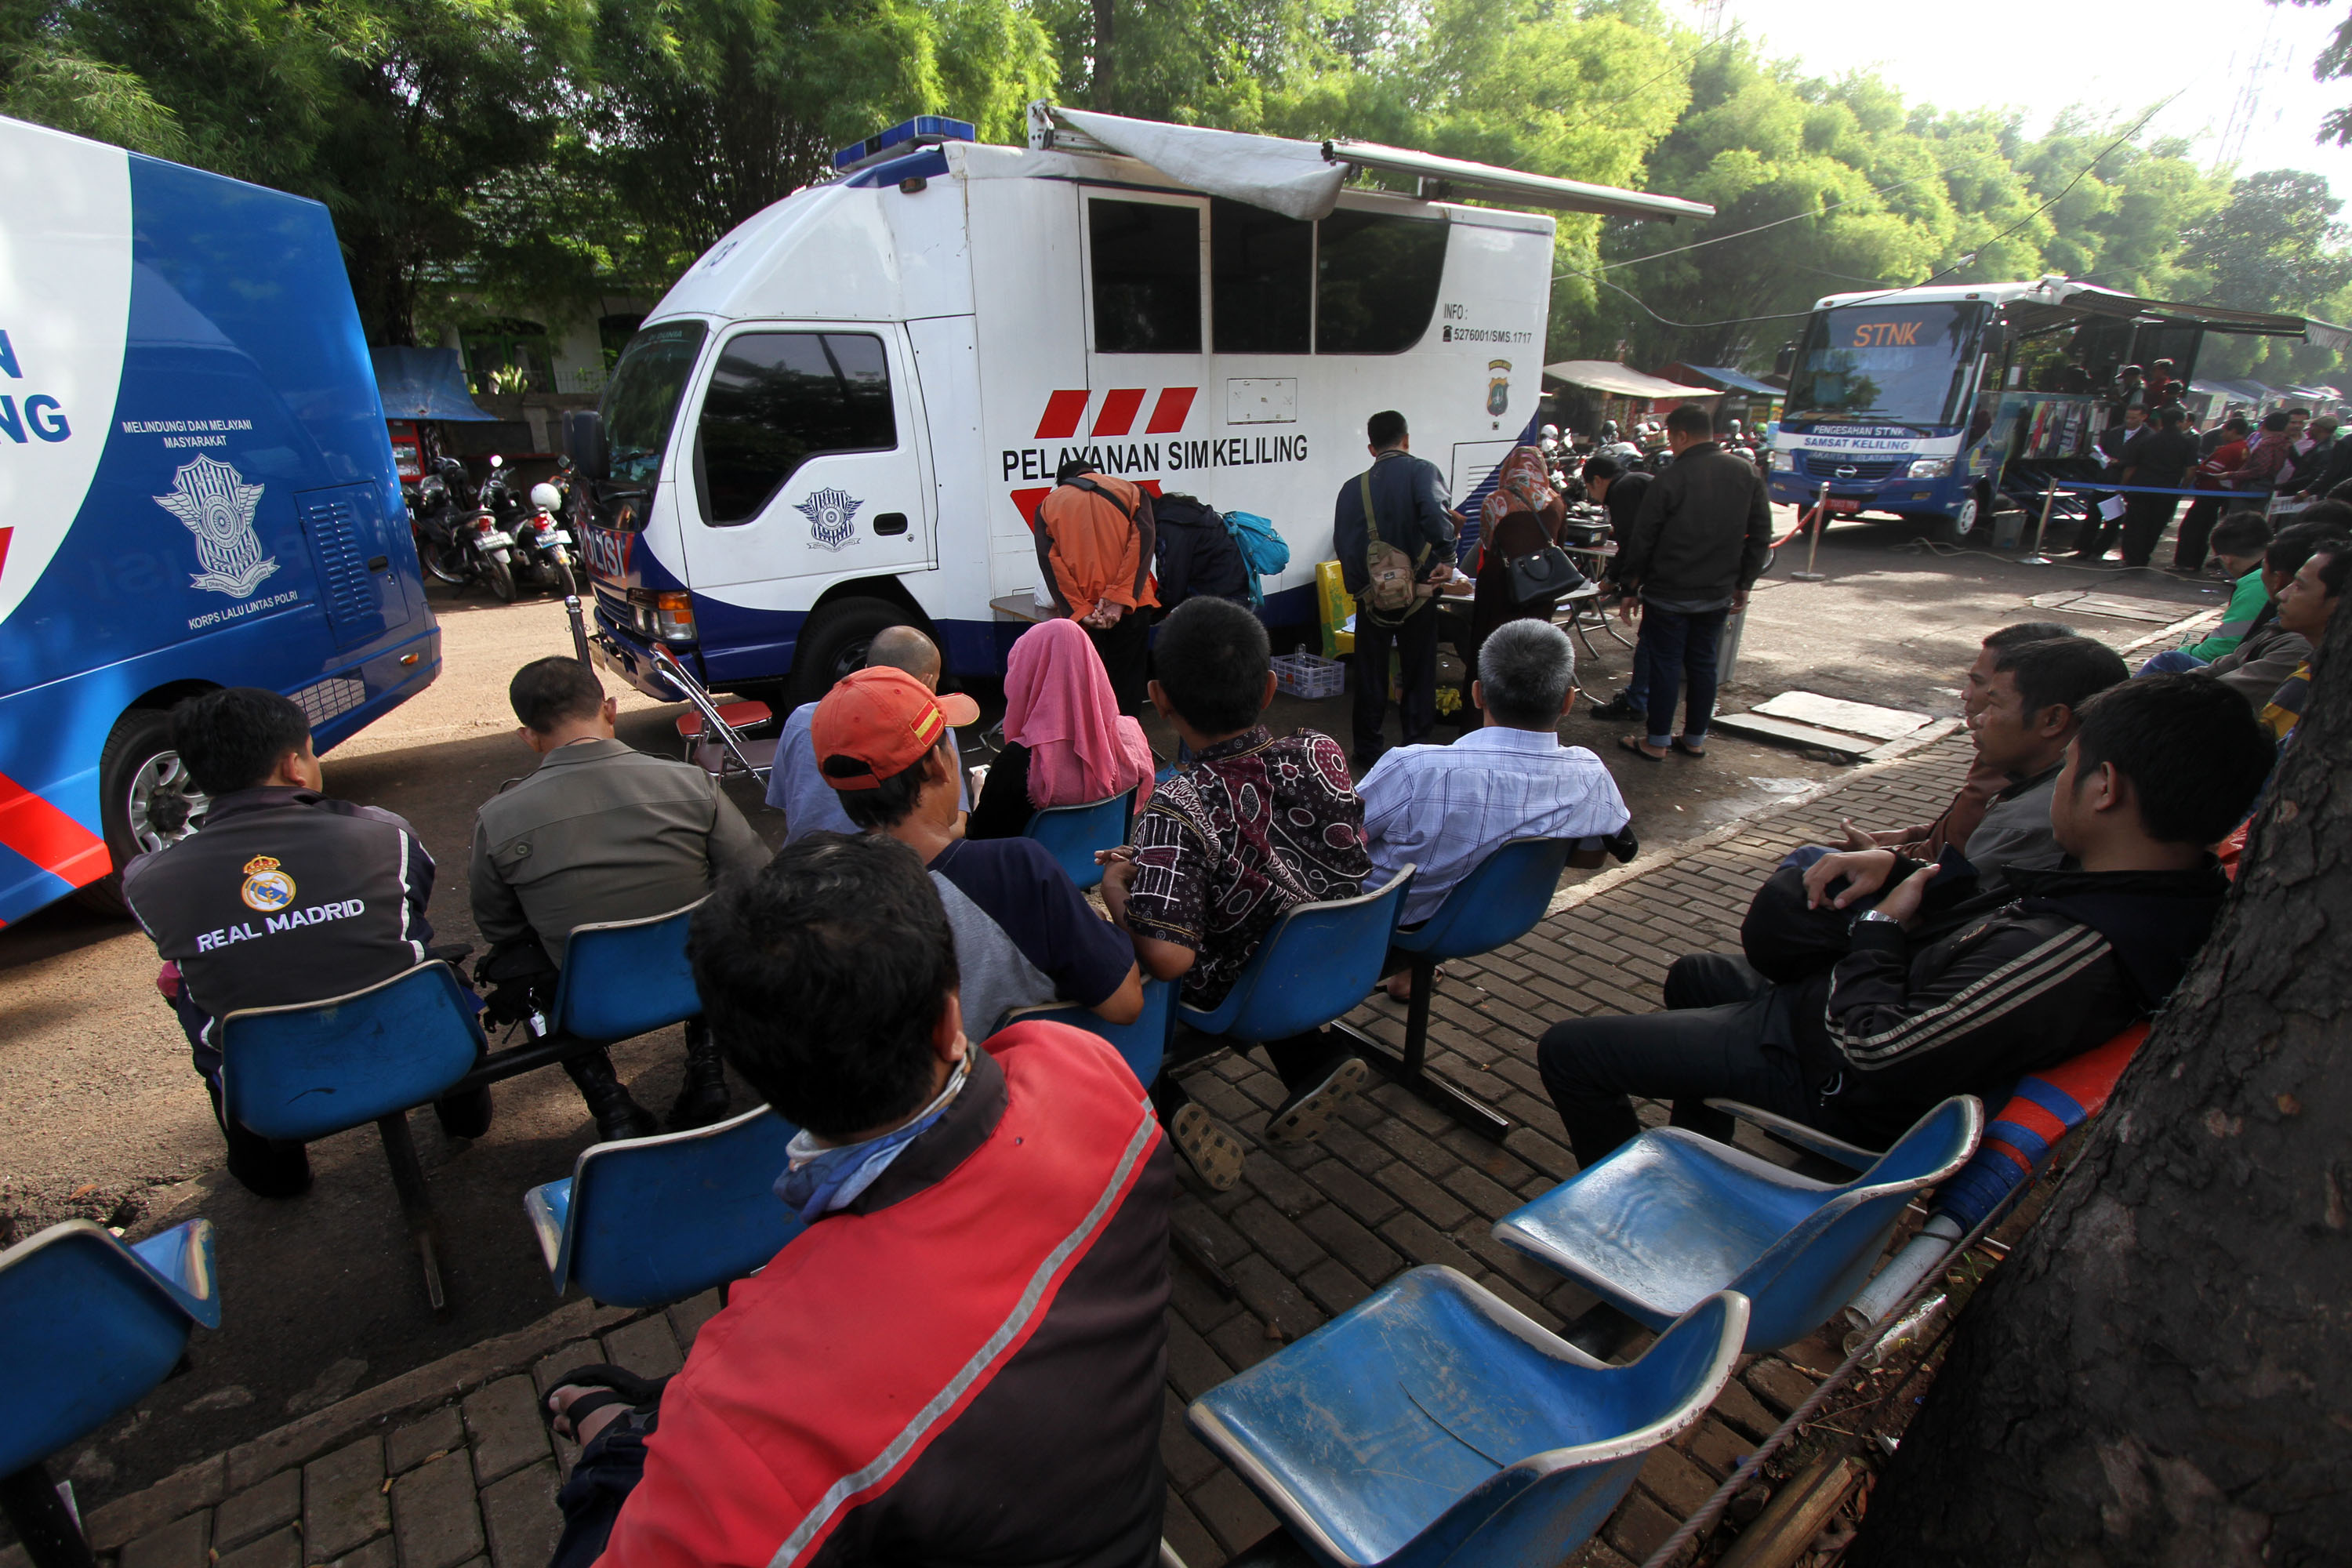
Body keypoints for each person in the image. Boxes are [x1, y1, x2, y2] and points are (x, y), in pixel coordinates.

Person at [544, 833, 1174, 1568]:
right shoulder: (1084, 1075)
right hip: (1122, 1528)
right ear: (949, 1022)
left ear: (758, 1074)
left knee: (612, 1484)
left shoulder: (746, 1400)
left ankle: (613, 1444)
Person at [1535, 675, 2273, 1170]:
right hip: (1825, 1025)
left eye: (2070, 764)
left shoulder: (2077, 949)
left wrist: (1882, 927)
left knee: (1571, 1051)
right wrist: (1910, 874)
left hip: (1835, 1075)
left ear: (2104, 787)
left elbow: (1879, 1045)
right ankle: (1695, 1158)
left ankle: (1623, 1210)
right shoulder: (2131, 887)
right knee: (1696, 974)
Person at [121, 688, 485, 1199]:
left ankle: (273, 1170)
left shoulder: (148, 881)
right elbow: (413, 907)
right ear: (295, 765)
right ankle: (464, 1109)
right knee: (427, 954)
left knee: (181, 986)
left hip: (274, 1090)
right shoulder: (383, 833)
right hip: (429, 1049)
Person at [1098, 598, 1374, 1189]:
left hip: (1233, 985)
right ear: (1271, 687)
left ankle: (1166, 1105)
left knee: (1102, 974)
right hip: (1320, 954)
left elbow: (1169, 959)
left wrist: (1119, 887)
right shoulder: (1320, 753)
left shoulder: (1180, 802)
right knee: (1268, 915)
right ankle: (1313, 1059)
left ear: (1161, 698)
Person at [471, 657, 770, 1140]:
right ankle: (708, 1067)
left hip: (588, 997)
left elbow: (499, 926)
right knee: (731, 914)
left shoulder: (498, 817)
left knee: (516, 963)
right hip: (697, 977)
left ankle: (608, 1101)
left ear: (527, 736)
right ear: (610, 709)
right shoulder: (690, 783)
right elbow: (754, 876)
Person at [815, 665, 1145, 1034]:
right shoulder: (1014, 870)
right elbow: (1126, 1004)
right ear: (939, 764)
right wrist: (1099, 914)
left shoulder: (818, 903)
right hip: (1013, 1085)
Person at [1361, 619, 1628, 935]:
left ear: (1477, 694)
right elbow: (1593, 857)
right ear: (1569, 701)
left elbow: (1333, 835)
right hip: (1491, 920)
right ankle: (1411, 976)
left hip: (1386, 919)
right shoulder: (1589, 774)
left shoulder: (1415, 769)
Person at [1610, 403, 1773, 761]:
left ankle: (1657, 742)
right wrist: (1744, 582)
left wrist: (1630, 586)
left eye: (1671, 436)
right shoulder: (1747, 472)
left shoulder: (1671, 477)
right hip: (1718, 591)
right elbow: (1760, 533)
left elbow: (1644, 537)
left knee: (1666, 663)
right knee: (1703, 662)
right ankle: (1695, 737)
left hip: (1670, 590)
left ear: (1681, 434)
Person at [1842, 622, 2084, 861]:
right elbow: (1965, 831)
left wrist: (1876, 857)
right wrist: (1913, 834)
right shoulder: (2021, 753)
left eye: (1984, 688)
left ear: (2052, 719)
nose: (1965, 694)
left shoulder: (2013, 766)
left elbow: (1944, 872)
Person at [1331, 409, 1462, 766]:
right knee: (1419, 673)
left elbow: (1342, 543)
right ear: (1406, 440)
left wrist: (1364, 590)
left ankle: (1368, 751)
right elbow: (1437, 515)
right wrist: (1448, 556)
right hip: (1420, 594)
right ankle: (1416, 747)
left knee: (1370, 676)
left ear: (1372, 448)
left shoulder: (1351, 488)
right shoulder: (1423, 471)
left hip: (1371, 599)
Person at [765, 626, 967, 843]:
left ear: (866, 668)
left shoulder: (800, 720)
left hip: (806, 860)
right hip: (888, 863)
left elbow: (790, 806)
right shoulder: (930, 725)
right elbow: (949, 827)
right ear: (927, 681)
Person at [966, 618, 1155, 841]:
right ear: (1090, 664)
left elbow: (980, 838)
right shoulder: (1129, 738)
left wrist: (979, 791)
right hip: (1100, 862)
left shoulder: (1019, 763)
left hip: (1036, 873)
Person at [1033, 459, 1159, 714]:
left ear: (1062, 482)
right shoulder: (1132, 491)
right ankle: (1125, 748)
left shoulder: (1047, 506)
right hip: (1132, 608)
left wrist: (1081, 610)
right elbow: (1143, 543)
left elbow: (1052, 565)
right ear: (1092, 472)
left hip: (1087, 616)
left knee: (1087, 690)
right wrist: (1119, 597)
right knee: (1127, 687)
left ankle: (1094, 750)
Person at [2196, 518, 2347, 708]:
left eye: (2299, 586)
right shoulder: (2290, 636)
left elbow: (2218, 689)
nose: (2282, 594)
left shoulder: (2298, 653)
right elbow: (2223, 665)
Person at [1468, 445, 1576, 649]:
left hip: (1502, 586)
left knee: (1494, 644)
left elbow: (1488, 543)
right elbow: (1559, 545)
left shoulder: (1495, 501)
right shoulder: (1557, 501)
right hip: (1542, 585)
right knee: (1532, 645)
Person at [2140, 514, 2273, 673]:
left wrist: (2183, 652)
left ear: (2226, 559)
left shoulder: (2257, 582)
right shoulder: (2272, 571)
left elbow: (2222, 647)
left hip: (2253, 668)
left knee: (2168, 661)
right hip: (2263, 658)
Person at [1580, 452, 1655, 721]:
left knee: (1651, 644)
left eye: (1589, 488)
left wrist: (1623, 585)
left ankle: (1637, 702)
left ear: (1598, 480)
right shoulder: (1639, 481)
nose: (1592, 495)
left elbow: (1632, 544)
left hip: (1665, 576)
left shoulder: (1624, 490)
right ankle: (1643, 699)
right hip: (1692, 571)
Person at [2255, 536, 2349, 743]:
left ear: (2340, 603)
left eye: (2299, 586)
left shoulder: (2310, 683)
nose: (2282, 594)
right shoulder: (2318, 664)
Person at [2113, 405, 2202, 568]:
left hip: (2141, 488)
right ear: (2179, 422)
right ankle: (2143, 557)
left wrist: (2123, 486)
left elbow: (2131, 467)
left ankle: (2131, 559)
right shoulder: (2188, 443)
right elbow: (2191, 469)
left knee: (2135, 525)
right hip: (2167, 490)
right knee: (2155, 526)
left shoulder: (2146, 440)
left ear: (2161, 421)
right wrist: (2183, 488)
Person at [2176, 416, 2252, 572]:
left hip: (2210, 492)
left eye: (2225, 431)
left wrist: (2197, 468)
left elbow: (2211, 471)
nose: (2222, 434)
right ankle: (2193, 562)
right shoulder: (2243, 447)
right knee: (2203, 528)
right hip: (2219, 494)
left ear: (2233, 431)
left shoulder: (2230, 449)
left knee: (2193, 529)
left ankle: (2186, 562)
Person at [2074, 405, 2147, 561]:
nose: (2129, 421)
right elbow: (2103, 450)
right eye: (2128, 417)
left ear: (2143, 417)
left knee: (2113, 520)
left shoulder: (2147, 436)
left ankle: (2099, 551)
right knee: (2092, 517)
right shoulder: (2115, 433)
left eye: (2134, 418)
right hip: (2104, 479)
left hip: (2121, 482)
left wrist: (2120, 463)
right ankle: (2084, 548)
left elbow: (2140, 461)